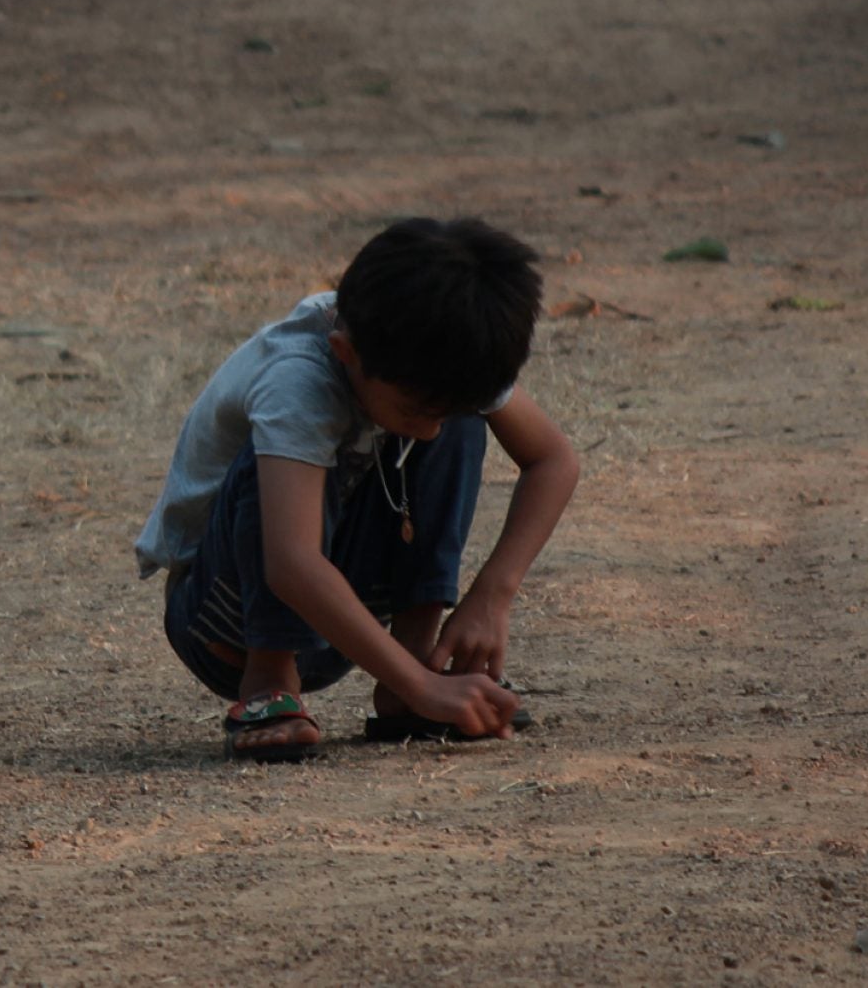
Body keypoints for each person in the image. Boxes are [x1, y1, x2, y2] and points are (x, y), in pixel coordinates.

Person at [136, 217, 579, 761]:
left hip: (343, 617)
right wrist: (431, 693)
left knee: (461, 416)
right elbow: (292, 562)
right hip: (222, 621)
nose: (430, 429)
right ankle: (269, 684)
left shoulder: (447, 343)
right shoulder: (300, 376)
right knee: (277, 452)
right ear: (346, 353)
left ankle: (414, 661)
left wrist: (493, 595)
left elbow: (553, 461)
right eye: (415, 408)